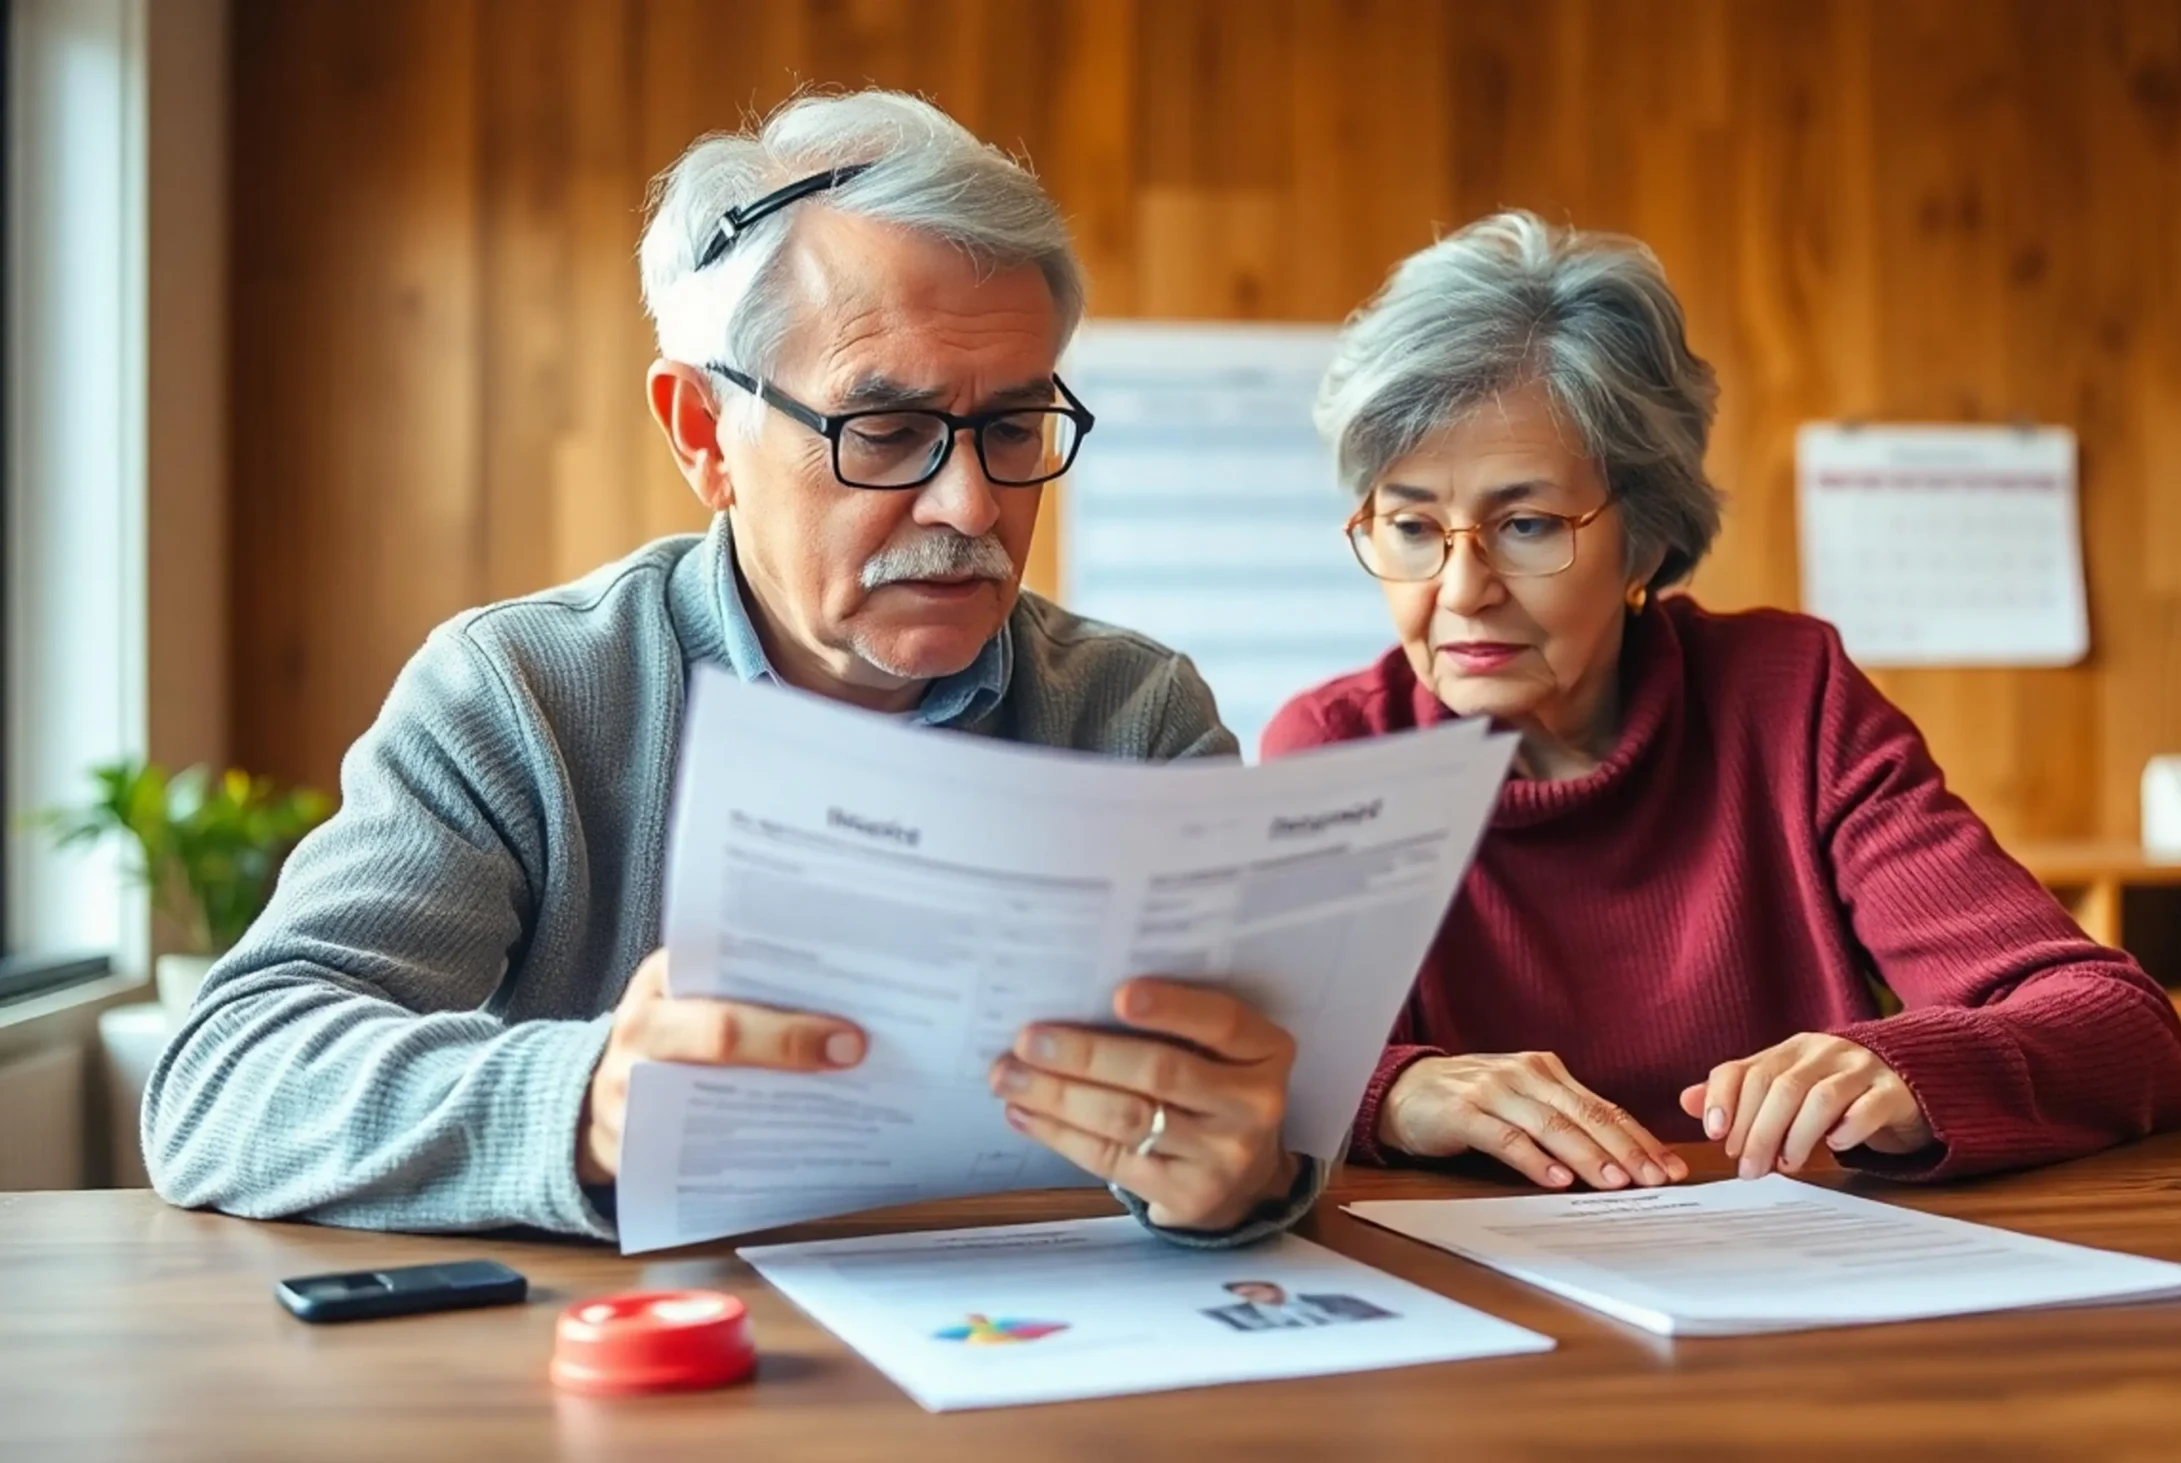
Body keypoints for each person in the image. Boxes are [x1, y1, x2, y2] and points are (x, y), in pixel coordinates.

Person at [142, 91, 1313, 1245]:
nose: (973, 504)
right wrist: (589, 1101)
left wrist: (1243, 1173)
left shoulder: (1132, 715)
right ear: (703, 432)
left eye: (1012, 428)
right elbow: (227, 1078)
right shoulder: (524, 696)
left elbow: (1249, 1107)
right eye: (887, 430)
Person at [1267, 211, 2181, 1191]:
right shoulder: (1339, 750)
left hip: (1785, 1300)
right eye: (1412, 524)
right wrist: (1399, 1093)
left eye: (1528, 523)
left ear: (1648, 539)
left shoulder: (1787, 701)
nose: (1460, 589)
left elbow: (2124, 1028)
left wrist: (1908, 1064)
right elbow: (1251, 1076)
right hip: (1470, 1311)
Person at [1202, 1280, 1395, 1332]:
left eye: (1256, 1290)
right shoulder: (1235, 1317)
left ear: (1276, 1288)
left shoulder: (1339, 1300)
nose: (1255, 1297)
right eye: (1248, 1295)